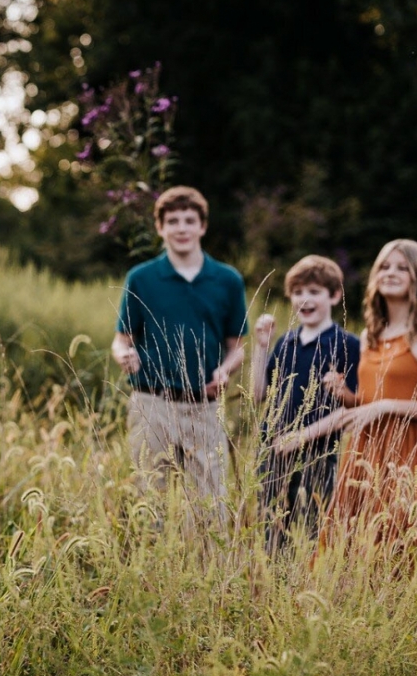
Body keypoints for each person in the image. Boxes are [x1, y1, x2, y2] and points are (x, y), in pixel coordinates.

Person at [304, 239, 417, 546]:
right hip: (361, 454)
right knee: (341, 550)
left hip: (405, 457)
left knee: (393, 553)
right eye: (384, 267)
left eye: (402, 268)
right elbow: (367, 403)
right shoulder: (370, 334)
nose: (391, 273)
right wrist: (345, 394)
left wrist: (387, 405)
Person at [111, 186, 249, 518]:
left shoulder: (227, 279)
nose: (182, 228)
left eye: (189, 220)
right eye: (173, 221)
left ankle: (208, 567)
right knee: (149, 503)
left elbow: (237, 348)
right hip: (152, 404)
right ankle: (151, 568)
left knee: (211, 505)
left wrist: (225, 371)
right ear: (160, 227)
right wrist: (123, 355)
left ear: (203, 226)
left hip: (203, 407)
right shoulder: (141, 278)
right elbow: (121, 339)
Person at [252, 255, 361, 549]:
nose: (305, 299)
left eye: (314, 292)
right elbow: (258, 394)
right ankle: (270, 588)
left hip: (319, 453)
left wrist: (342, 393)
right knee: (271, 529)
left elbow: (356, 404)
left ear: (335, 295)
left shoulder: (348, 343)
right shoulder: (285, 341)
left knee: (311, 530)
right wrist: (261, 346)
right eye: (298, 292)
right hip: (273, 449)